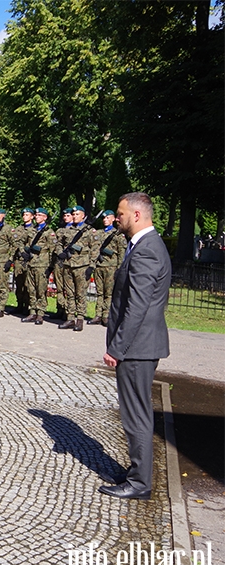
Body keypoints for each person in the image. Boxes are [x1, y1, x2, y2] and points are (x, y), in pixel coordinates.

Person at [99, 192, 171, 500]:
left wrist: (117, 348)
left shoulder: (147, 251)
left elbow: (137, 307)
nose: (117, 218)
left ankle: (140, 483)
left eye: (121, 213)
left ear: (138, 216)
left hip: (137, 348)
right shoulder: (143, 246)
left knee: (136, 416)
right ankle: (136, 472)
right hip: (139, 347)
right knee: (136, 414)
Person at [56, 205, 99, 331]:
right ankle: (70, 318)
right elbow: (59, 243)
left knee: (80, 294)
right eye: (73, 214)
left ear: (83, 215)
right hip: (68, 265)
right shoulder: (67, 230)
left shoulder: (89, 231)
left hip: (82, 266)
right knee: (69, 293)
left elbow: (95, 249)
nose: (74, 216)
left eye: (77, 214)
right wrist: (61, 253)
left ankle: (79, 319)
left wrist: (91, 266)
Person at [89, 210, 127, 326]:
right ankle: (98, 314)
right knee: (99, 292)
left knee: (109, 293)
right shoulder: (98, 233)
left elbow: (121, 253)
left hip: (111, 266)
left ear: (113, 219)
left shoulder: (118, 235)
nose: (105, 220)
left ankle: (106, 315)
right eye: (104, 218)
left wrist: (119, 269)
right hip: (99, 266)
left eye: (107, 218)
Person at [21, 208, 57, 325]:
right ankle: (32, 311)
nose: (37, 217)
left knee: (40, 290)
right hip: (31, 263)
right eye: (36, 215)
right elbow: (23, 243)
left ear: (45, 217)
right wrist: (24, 253)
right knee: (31, 289)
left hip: (42, 264)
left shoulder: (49, 232)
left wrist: (51, 266)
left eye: (39, 215)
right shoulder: (31, 230)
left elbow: (53, 250)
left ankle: (40, 313)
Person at [12, 208, 35, 314]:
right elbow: (14, 242)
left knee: (28, 284)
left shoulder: (35, 229)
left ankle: (27, 305)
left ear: (32, 216)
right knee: (19, 283)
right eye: (23, 214)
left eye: (27, 214)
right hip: (19, 259)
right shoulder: (18, 229)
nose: (24, 216)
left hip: (29, 260)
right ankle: (19, 304)